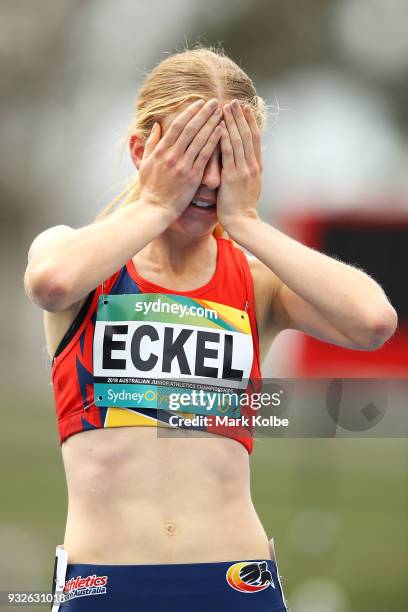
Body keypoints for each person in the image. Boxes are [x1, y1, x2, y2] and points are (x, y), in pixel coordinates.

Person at [24, 46, 397, 612]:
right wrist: (154, 202)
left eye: (229, 156)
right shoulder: (78, 258)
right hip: (103, 585)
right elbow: (50, 283)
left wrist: (247, 222)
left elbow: (372, 322)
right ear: (141, 150)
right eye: (193, 154)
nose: (212, 178)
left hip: (234, 582)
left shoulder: (255, 280)